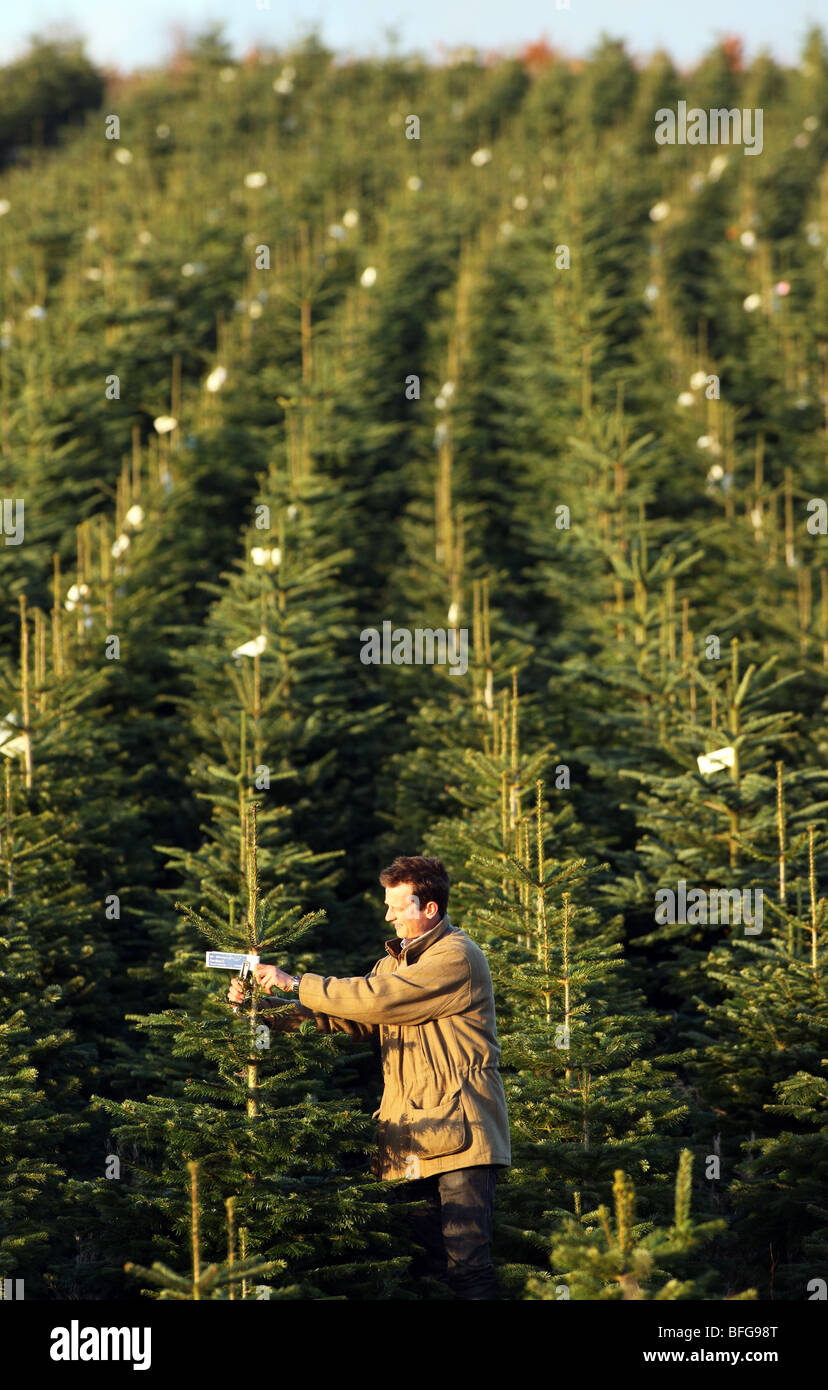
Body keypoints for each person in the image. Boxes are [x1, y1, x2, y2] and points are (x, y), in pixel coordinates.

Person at [227, 853, 511, 1299]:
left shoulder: (457, 957)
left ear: (429, 908)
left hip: (462, 1135)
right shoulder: (394, 963)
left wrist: (294, 981)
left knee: (468, 1270)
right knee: (425, 1271)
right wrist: (263, 1013)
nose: (388, 915)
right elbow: (352, 1019)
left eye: (397, 907)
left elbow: (378, 999)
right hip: (412, 1134)